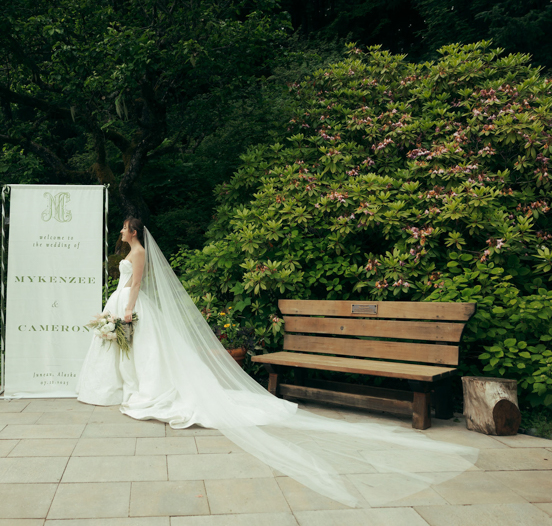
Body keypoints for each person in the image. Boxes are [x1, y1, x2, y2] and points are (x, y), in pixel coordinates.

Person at [77, 217, 478, 507]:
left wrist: (126, 312)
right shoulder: (129, 251)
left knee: (142, 352)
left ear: (133, 229)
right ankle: (120, 385)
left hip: (130, 305)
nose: (122, 232)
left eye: (125, 228)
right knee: (126, 353)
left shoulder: (142, 253)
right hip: (120, 303)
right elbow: (124, 280)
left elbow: (137, 285)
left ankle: (144, 387)